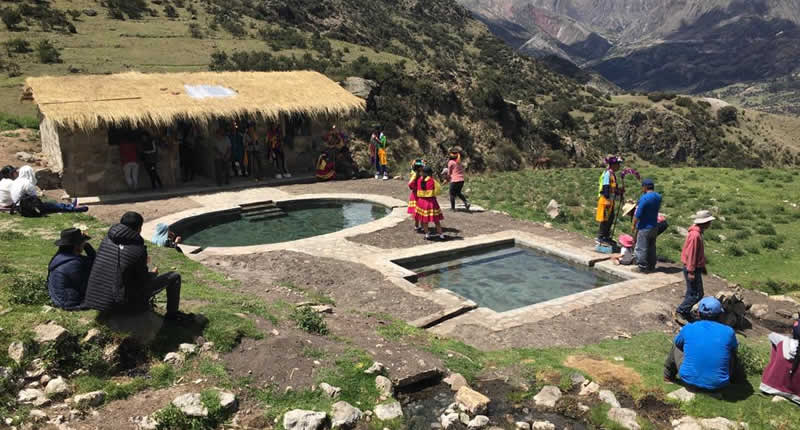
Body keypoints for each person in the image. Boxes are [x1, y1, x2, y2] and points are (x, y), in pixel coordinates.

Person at [83, 212, 188, 321]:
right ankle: (172, 315)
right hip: (121, 304)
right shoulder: (138, 250)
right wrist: (152, 274)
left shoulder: (106, 240)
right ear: (139, 228)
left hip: (95, 299)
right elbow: (142, 281)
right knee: (174, 276)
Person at [664, 297, 739, 391]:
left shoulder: (689, 328)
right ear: (720, 315)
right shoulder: (728, 332)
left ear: (698, 314)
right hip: (718, 385)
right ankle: (735, 379)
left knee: (677, 344)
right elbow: (734, 349)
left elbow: (679, 344)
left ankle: (668, 376)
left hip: (689, 381)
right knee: (731, 351)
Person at [676, 210, 716, 322]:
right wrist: (691, 271)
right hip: (692, 267)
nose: (710, 224)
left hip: (694, 267)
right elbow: (692, 254)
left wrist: (701, 266)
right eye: (709, 222)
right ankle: (681, 311)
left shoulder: (697, 233)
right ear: (704, 222)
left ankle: (686, 312)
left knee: (692, 292)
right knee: (696, 294)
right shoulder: (695, 235)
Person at [47, 228, 95, 310]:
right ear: (76, 245)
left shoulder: (60, 257)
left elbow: (92, 262)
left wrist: (86, 246)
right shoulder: (73, 264)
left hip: (58, 298)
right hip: (69, 302)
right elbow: (86, 284)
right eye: (83, 243)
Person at [10, 166, 87, 215]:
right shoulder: (27, 183)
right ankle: (72, 208)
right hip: (27, 207)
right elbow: (34, 198)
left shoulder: (16, 181)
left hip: (18, 206)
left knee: (50, 204)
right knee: (53, 205)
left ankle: (70, 206)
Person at [760, 319, 800, 404]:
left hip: (769, 387)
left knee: (777, 347)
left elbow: (771, 335)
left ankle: (772, 374)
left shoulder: (782, 341)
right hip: (797, 395)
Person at [632, 178, 662, 272]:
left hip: (645, 226)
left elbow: (638, 214)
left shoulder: (644, 198)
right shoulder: (658, 196)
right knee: (652, 247)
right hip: (654, 225)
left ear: (645, 187)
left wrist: (633, 225)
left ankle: (642, 267)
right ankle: (651, 265)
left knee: (641, 247)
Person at [595, 156, 623, 246]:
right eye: (618, 165)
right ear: (613, 165)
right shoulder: (607, 174)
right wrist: (607, 198)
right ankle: (600, 237)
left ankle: (606, 236)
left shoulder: (612, 174)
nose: (619, 166)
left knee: (610, 218)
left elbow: (613, 188)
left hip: (610, 201)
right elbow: (606, 186)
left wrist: (619, 192)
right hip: (606, 200)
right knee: (605, 219)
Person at [416, 166, 445, 241]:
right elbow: (439, 190)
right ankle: (441, 235)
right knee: (436, 220)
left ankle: (427, 234)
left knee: (424, 220)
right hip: (431, 202)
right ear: (430, 173)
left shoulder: (419, 180)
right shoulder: (432, 181)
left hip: (421, 202)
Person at [443, 147, 470, 211]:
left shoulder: (451, 162)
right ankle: (466, 202)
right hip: (461, 180)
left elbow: (449, 173)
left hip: (455, 180)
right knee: (458, 192)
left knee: (452, 194)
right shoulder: (459, 162)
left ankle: (453, 208)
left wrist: (446, 180)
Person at [408, 159, 425, 232]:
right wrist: (417, 188)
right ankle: (418, 226)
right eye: (421, 166)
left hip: (417, 194)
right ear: (419, 167)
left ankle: (419, 226)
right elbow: (410, 184)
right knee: (419, 211)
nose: (422, 167)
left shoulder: (416, 173)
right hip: (417, 195)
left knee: (419, 212)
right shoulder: (416, 175)